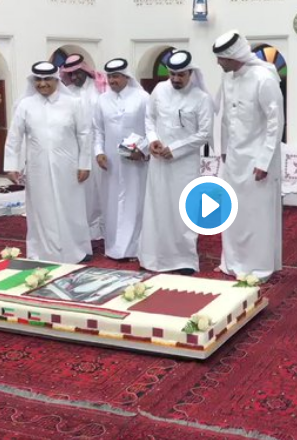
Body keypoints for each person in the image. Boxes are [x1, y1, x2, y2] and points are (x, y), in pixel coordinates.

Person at [212, 30, 284, 280]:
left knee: (256, 215)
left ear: (234, 56)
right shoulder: (228, 78)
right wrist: (223, 149)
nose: (218, 63)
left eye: (221, 58)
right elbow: (225, 117)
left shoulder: (264, 79)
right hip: (233, 158)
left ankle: (258, 268)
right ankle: (232, 263)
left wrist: (265, 161)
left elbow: (276, 122)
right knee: (233, 212)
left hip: (257, 160)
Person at [4, 60, 92, 263]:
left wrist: (84, 164)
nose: (42, 84)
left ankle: (76, 249)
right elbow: (14, 137)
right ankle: (42, 251)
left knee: (71, 208)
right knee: (41, 209)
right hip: (38, 167)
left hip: (68, 166)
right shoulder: (26, 105)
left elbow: (84, 135)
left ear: (56, 80)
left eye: (47, 80)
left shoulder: (73, 103)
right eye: (38, 80)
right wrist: (11, 165)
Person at [138, 50, 213, 273]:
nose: (176, 79)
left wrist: (176, 149)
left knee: (182, 210)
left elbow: (205, 133)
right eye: (172, 74)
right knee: (157, 207)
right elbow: (150, 118)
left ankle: (183, 260)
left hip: (184, 164)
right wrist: (153, 140)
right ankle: (153, 258)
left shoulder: (201, 98)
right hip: (159, 162)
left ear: (190, 73)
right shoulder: (159, 90)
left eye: (181, 75)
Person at [93, 58, 149, 260]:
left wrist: (143, 150)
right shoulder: (102, 100)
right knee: (111, 203)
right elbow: (98, 130)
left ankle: (134, 248)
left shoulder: (142, 98)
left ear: (126, 76)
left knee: (135, 202)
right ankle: (114, 247)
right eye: (109, 76)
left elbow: (152, 128)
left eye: (116, 76)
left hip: (135, 162)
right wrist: (98, 152)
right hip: (111, 162)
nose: (112, 81)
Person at [60, 54, 106, 241]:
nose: (74, 77)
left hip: (98, 145)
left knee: (100, 188)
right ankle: (83, 229)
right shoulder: (67, 92)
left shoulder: (99, 88)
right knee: (82, 188)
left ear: (85, 71)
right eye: (70, 74)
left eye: (77, 73)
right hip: (75, 147)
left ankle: (102, 228)